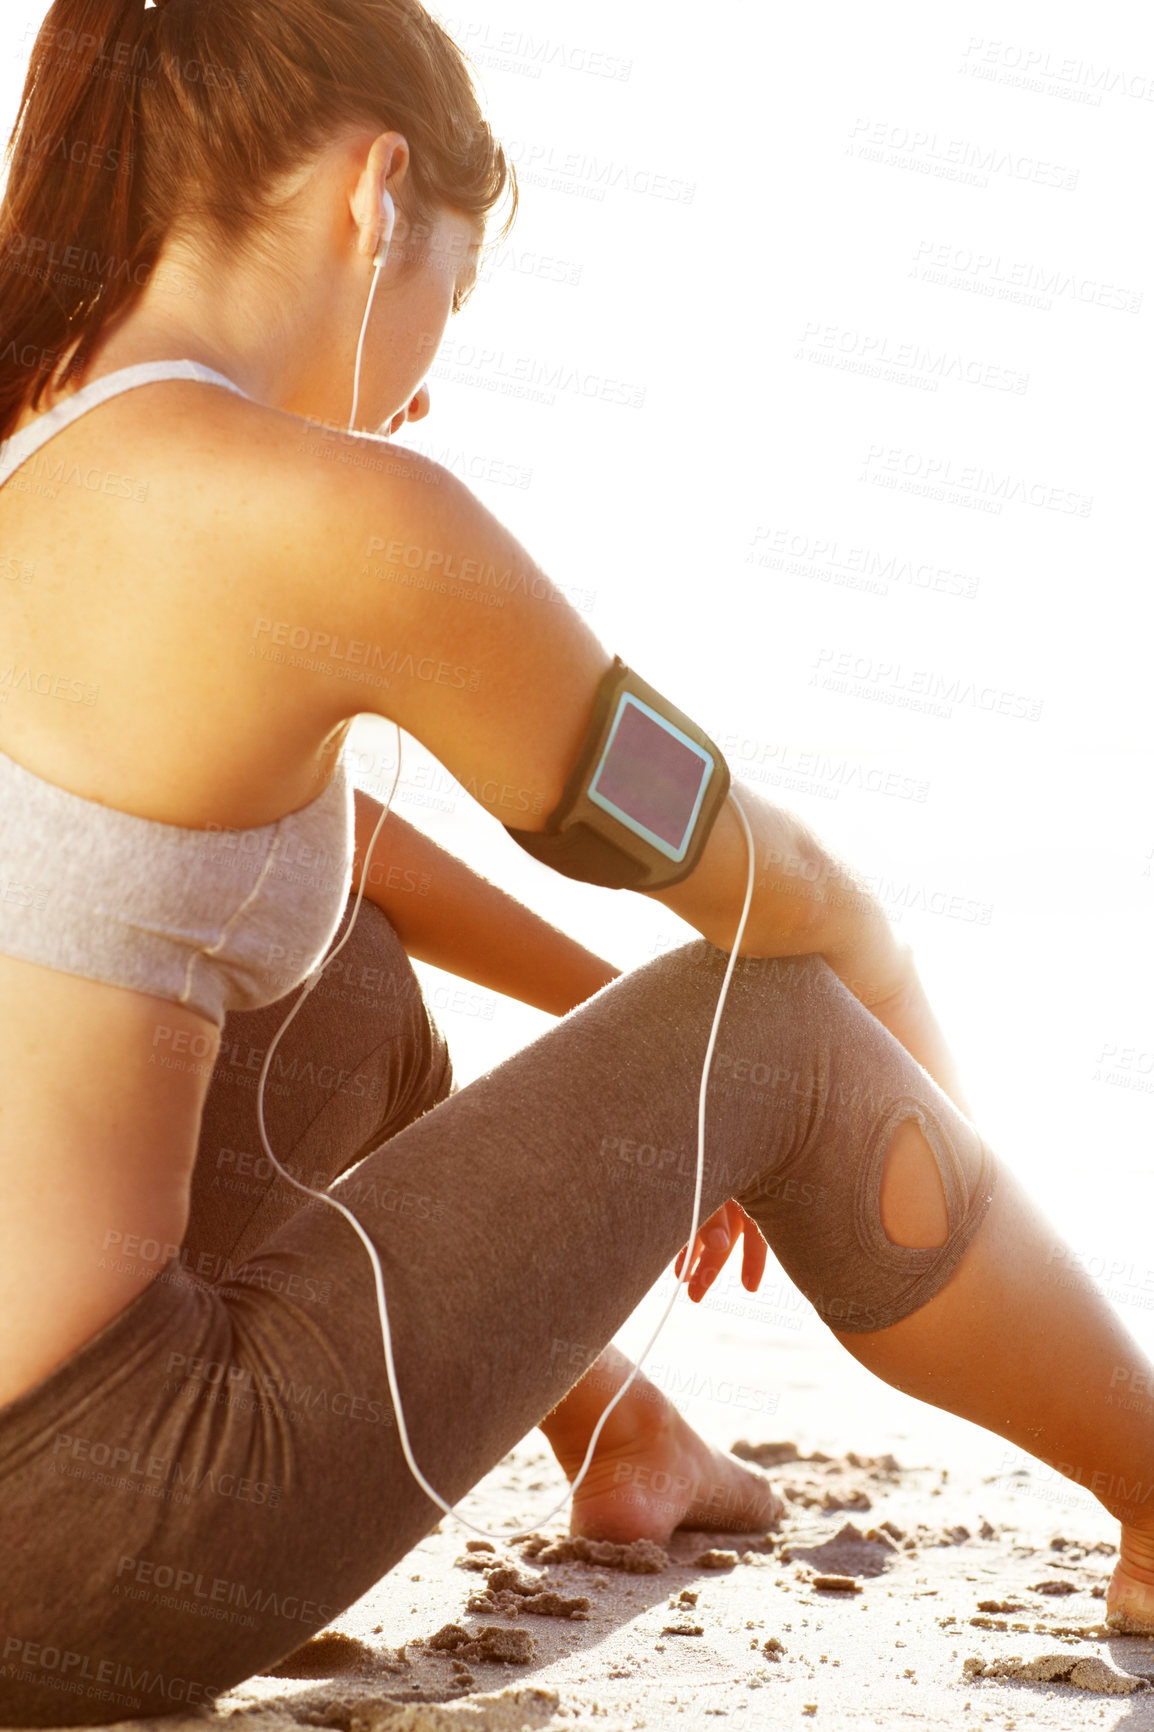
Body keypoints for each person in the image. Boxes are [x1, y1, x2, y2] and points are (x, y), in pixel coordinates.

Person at [1, 0, 1153, 1721]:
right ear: (375, 199)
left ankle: (627, 1430)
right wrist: (853, 1050)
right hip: (82, 1526)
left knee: (357, 987)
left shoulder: (46, 445)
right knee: (776, 1018)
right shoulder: (342, 516)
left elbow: (290, 854)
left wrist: (615, 1075)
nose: (425, 381)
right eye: (442, 300)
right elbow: (762, 879)